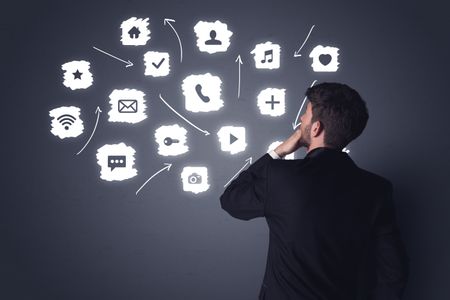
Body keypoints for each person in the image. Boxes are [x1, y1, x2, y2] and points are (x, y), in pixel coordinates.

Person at [220, 82, 410, 300]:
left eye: (306, 114)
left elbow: (231, 200)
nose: (301, 119)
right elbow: (394, 271)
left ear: (316, 127)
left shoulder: (280, 176)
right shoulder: (377, 189)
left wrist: (279, 150)